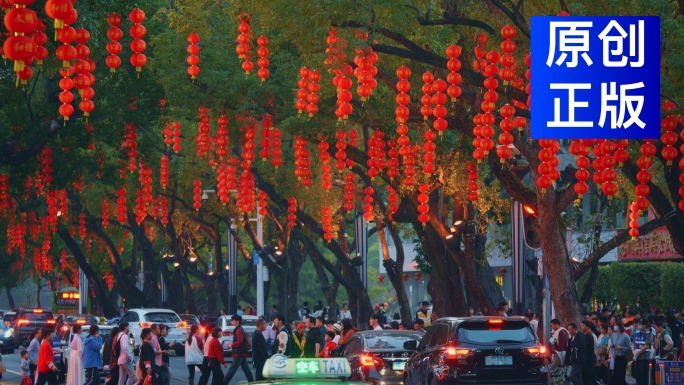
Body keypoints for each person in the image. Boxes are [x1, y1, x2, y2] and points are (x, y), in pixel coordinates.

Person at [223, 315, 254, 385]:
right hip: (242, 352)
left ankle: (224, 383)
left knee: (232, 370)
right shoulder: (239, 329)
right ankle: (252, 382)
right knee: (246, 370)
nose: (232, 322)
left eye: (233, 320)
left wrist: (231, 345)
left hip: (239, 352)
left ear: (237, 321)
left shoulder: (238, 330)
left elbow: (240, 341)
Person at [610, 321, 632, 385]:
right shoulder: (613, 335)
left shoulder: (625, 336)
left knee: (621, 374)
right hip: (616, 357)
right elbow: (611, 345)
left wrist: (621, 348)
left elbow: (629, 348)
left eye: (616, 325)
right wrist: (613, 352)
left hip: (623, 357)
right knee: (615, 374)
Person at [632, 319, 653, 385]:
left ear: (645, 325)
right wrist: (633, 352)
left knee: (644, 376)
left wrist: (638, 352)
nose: (640, 325)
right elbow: (633, 343)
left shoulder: (648, 334)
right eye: (639, 324)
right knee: (637, 375)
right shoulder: (636, 333)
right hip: (636, 358)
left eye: (641, 324)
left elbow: (646, 345)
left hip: (644, 358)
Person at [580, 321, 596, 385]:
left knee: (587, 377)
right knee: (584, 377)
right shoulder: (583, 336)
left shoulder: (589, 336)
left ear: (588, 327)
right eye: (581, 325)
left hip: (589, 359)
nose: (582, 327)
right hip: (584, 359)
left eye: (584, 325)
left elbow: (583, 346)